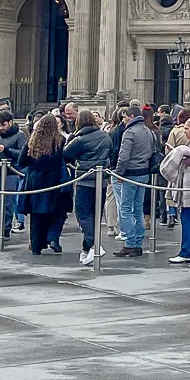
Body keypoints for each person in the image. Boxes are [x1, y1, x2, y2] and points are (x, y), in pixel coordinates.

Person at [64, 109, 114, 266]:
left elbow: (66, 153)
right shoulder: (106, 137)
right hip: (102, 180)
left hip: (85, 179)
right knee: (96, 215)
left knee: (83, 215)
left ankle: (94, 245)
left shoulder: (80, 139)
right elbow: (111, 154)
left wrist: (71, 137)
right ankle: (86, 249)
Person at [19, 113, 70, 257]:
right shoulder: (60, 141)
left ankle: (36, 245)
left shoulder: (32, 141)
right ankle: (52, 238)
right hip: (53, 180)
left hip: (35, 180)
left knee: (36, 215)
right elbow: (66, 159)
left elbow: (22, 161)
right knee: (56, 211)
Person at [160, 115, 190, 264]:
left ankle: (186, 251)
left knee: (186, 217)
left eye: (187, 128)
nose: (184, 132)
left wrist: (182, 157)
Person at [113, 103, 158, 257]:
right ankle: (137, 242)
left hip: (130, 173)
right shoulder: (148, 131)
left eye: (125, 117)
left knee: (125, 208)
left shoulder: (130, 132)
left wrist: (118, 173)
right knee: (138, 209)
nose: (123, 120)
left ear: (131, 116)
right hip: (144, 173)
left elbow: (123, 156)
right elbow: (152, 151)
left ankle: (130, 242)